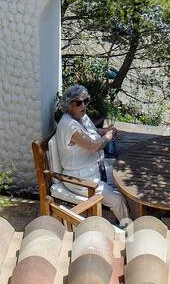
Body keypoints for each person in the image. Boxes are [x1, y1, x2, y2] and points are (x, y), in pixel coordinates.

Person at [53, 85, 129, 225]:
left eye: (85, 101)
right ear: (69, 105)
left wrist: (105, 130)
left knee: (125, 177)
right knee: (116, 199)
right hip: (80, 179)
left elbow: (93, 132)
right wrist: (108, 136)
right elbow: (93, 146)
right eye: (78, 102)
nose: (83, 105)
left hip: (96, 170)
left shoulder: (81, 116)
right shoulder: (69, 125)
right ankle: (127, 227)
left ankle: (136, 218)